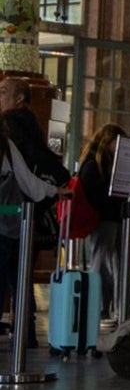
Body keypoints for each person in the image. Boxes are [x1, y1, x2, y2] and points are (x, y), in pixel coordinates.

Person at [0, 76, 69, 344]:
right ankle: (25, 333)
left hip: (11, 218)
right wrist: (56, 190)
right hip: (19, 219)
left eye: (4, 92)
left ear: (19, 98)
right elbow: (31, 179)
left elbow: (26, 176)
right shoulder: (23, 130)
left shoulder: (13, 129)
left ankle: (24, 332)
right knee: (19, 276)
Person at [78, 124, 130, 324]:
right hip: (106, 219)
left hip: (112, 218)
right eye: (116, 143)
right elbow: (94, 194)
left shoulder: (97, 162)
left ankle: (113, 308)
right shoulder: (97, 164)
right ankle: (107, 308)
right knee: (107, 265)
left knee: (114, 265)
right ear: (107, 141)